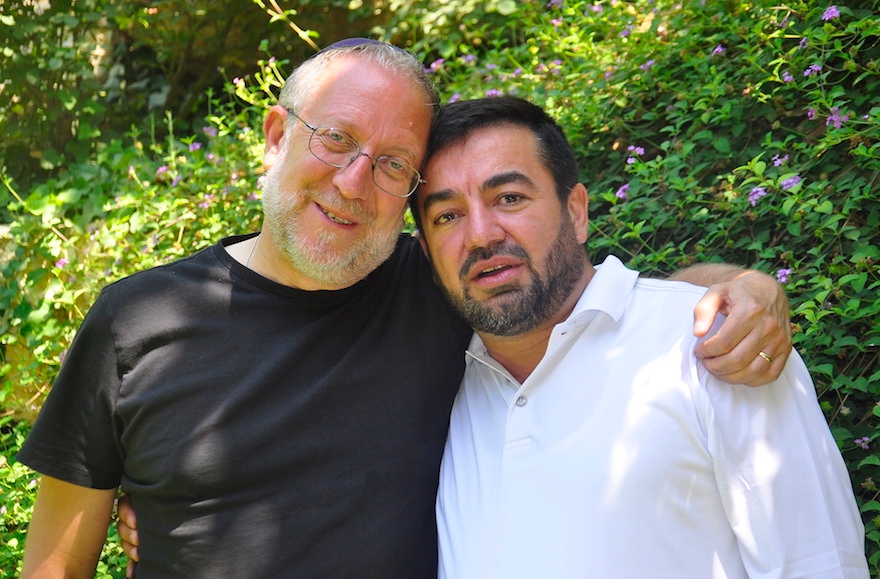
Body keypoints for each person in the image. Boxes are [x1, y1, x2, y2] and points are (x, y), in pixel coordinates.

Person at [17, 40, 790, 579]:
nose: (354, 182)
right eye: (335, 139)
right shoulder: (137, 320)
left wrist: (743, 289)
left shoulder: (445, 288)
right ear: (276, 136)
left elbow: (592, 307)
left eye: (393, 165)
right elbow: (57, 559)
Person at [411, 96, 868, 578]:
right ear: (426, 253)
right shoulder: (437, 386)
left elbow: (818, 564)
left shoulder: (718, 345)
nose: (480, 234)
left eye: (509, 198)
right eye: (447, 216)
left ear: (576, 211)